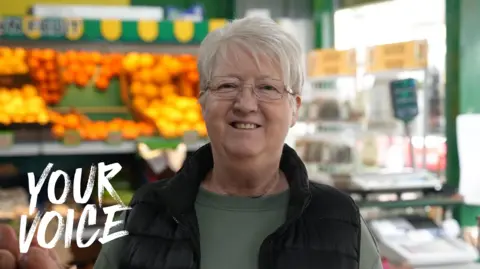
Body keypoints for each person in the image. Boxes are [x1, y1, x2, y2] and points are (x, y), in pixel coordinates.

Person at [0, 16, 382, 269]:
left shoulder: (338, 220)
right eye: (228, 85)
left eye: (267, 88)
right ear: (202, 101)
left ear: (294, 107)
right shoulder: (147, 213)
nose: (245, 103)